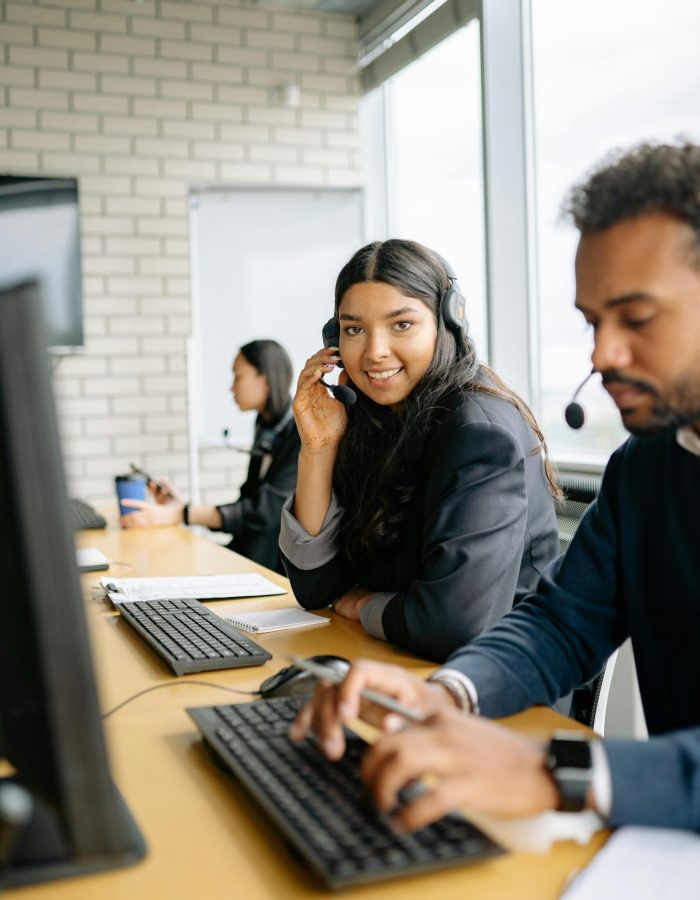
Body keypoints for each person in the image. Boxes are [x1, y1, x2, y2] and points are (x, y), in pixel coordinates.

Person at [291, 141, 700, 834]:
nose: (602, 355)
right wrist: (449, 694)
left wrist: (562, 772)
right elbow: (561, 623)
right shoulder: (647, 468)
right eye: (592, 322)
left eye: (636, 318)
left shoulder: (485, 426)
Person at [279, 240, 561, 662]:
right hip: (401, 666)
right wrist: (318, 448)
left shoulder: (481, 432)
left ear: (446, 323)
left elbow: (452, 625)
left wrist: (364, 605)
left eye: (402, 325)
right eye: (354, 329)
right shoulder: (373, 421)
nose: (374, 351)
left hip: (493, 691)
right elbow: (315, 589)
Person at [122, 339, 300, 573]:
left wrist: (183, 514)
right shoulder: (265, 425)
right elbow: (248, 499)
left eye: (238, 377)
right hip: (251, 553)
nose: (231, 387)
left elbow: (264, 511)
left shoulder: (300, 432)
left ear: (265, 380)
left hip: (277, 567)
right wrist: (182, 508)